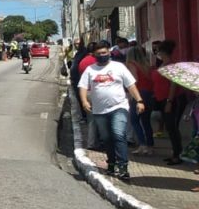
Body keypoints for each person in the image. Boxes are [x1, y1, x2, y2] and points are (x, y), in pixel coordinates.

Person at [78, 40, 146, 180]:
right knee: (107, 139)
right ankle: (111, 163)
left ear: (109, 52)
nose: (102, 55)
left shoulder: (119, 67)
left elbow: (131, 85)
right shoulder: (90, 70)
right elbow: (83, 87)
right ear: (94, 55)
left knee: (118, 134)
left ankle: (122, 166)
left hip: (119, 107)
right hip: (99, 111)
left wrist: (139, 100)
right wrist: (84, 101)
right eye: (98, 54)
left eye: (104, 53)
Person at [152, 40, 184, 165]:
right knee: (169, 128)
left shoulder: (170, 66)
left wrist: (169, 102)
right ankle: (174, 152)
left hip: (170, 100)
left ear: (162, 51)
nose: (156, 52)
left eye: (157, 50)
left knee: (172, 128)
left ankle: (177, 154)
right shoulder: (162, 64)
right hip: (162, 99)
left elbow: (173, 85)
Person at [125, 46, 155, 156]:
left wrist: (132, 95)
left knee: (134, 120)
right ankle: (150, 146)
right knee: (146, 121)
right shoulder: (147, 65)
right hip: (149, 94)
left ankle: (142, 144)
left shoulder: (131, 64)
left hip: (139, 94)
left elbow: (134, 80)